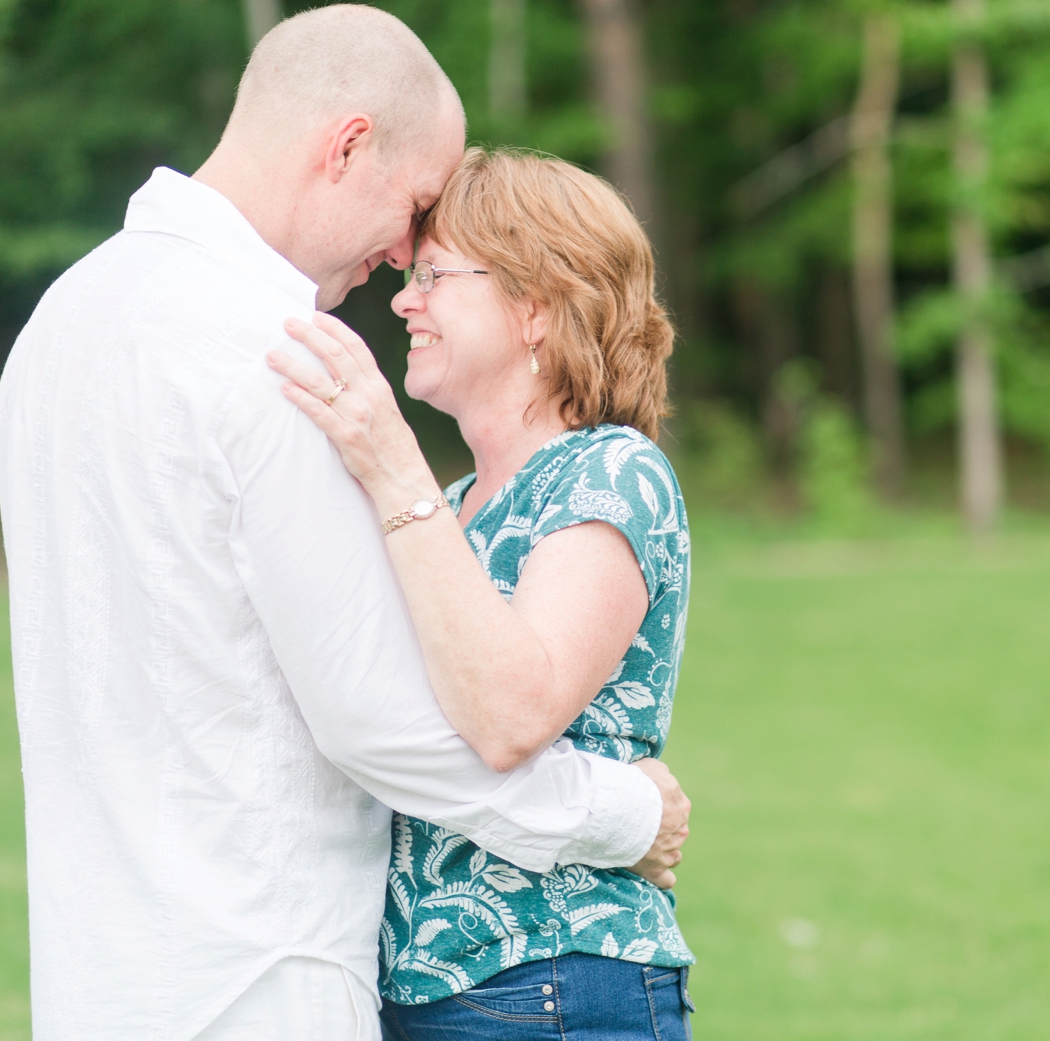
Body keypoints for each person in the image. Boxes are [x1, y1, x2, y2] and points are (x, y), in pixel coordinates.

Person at [0, 8, 689, 1041]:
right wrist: (624, 812)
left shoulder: (63, 322)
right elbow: (381, 721)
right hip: (263, 973)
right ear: (347, 145)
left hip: (106, 979)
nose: (403, 260)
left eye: (438, 263)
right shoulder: (276, 359)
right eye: (413, 211)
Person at [267, 147, 695, 1041]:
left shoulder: (612, 470)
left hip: (556, 980)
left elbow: (511, 714)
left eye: (432, 275)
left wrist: (391, 467)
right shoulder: (456, 509)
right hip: (424, 989)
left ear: (535, 306)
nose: (401, 300)